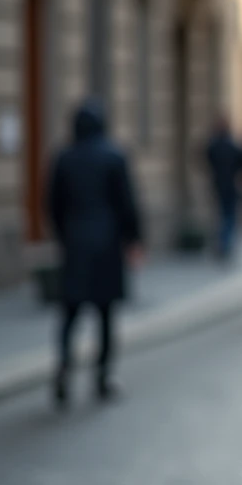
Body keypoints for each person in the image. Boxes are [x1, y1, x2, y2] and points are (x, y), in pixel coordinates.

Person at [48, 99, 142, 406]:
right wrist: (133, 239)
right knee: (105, 314)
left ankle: (63, 368)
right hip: (106, 244)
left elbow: (53, 204)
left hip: (75, 244)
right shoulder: (113, 156)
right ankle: (102, 377)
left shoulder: (64, 158)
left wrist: (64, 235)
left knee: (70, 314)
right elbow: (126, 203)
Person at [205, 117, 242, 260]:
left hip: (218, 184)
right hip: (230, 185)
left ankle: (222, 243)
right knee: (229, 216)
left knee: (222, 216)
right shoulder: (231, 146)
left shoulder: (214, 146)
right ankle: (225, 244)